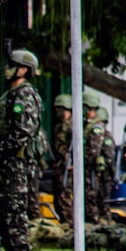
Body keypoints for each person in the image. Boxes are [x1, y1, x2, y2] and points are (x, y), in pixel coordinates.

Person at [0, 48, 42, 251]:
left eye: (12, 64)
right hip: (8, 163)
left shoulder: (24, 95)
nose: (7, 68)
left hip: (17, 163)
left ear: (23, 70)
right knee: (6, 209)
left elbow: (23, 132)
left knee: (15, 210)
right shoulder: (12, 94)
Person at [84, 91, 116, 225]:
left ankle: (97, 226)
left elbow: (94, 151)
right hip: (94, 170)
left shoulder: (96, 127)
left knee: (94, 199)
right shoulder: (89, 126)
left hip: (94, 171)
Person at [51, 92, 74, 224]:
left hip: (69, 168)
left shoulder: (73, 126)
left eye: (58, 108)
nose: (56, 111)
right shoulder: (59, 126)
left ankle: (70, 224)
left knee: (66, 195)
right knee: (58, 196)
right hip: (60, 166)